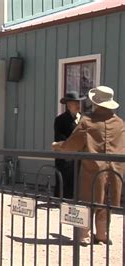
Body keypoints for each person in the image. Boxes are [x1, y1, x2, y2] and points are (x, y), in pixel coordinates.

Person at [52, 86, 124, 246]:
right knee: (107, 202)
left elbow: (72, 145)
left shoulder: (88, 121)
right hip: (115, 170)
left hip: (92, 168)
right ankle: (103, 235)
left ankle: (83, 236)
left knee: (86, 201)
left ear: (95, 102)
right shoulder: (120, 123)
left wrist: (58, 146)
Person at [53, 91, 86, 199]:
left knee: (77, 181)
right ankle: (62, 200)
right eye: (75, 103)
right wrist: (71, 146)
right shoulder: (60, 120)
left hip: (79, 156)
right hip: (65, 157)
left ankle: (75, 200)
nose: (78, 105)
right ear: (68, 105)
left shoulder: (83, 119)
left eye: (79, 103)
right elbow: (59, 138)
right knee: (64, 180)